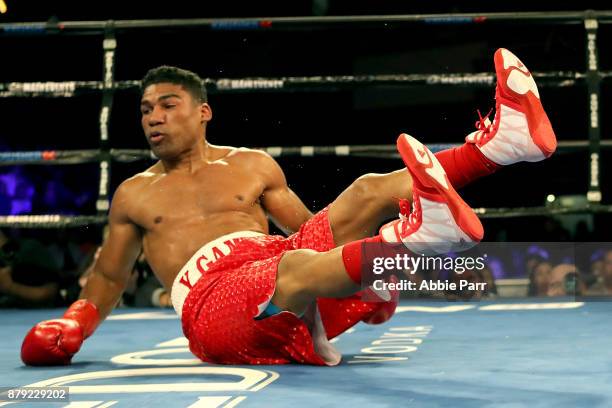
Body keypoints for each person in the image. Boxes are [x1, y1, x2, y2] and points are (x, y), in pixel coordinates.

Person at [20, 48, 557, 366]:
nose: (153, 118)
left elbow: (308, 230)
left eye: (167, 105)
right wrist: (75, 322)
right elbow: (109, 278)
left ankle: (496, 150)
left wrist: (362, 285)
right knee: (297, 267)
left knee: (369, 190)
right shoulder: (134, 193)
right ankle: (407, 245)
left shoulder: (253, 166)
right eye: (144, 110)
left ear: (203, 112)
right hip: (213, 307)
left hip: (277, 269)